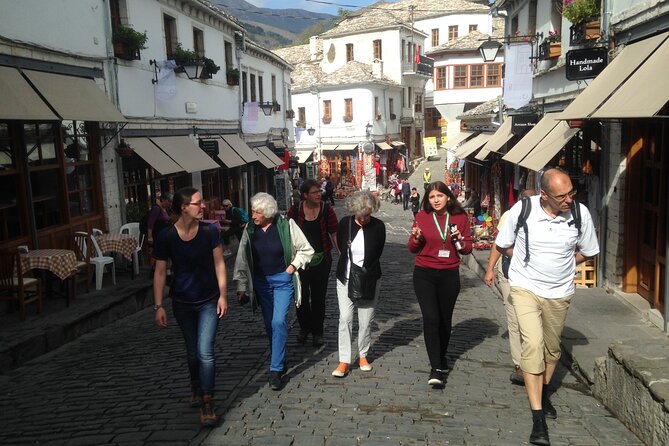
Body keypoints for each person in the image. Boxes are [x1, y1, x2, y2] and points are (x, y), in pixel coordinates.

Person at [495, 168, 599, 446]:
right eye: (561, 196)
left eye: (571, 193)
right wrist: (528, 262)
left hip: (560, 291)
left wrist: (563, 264)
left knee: (551, 349)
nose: (568, 200)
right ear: (544, 195)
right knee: (532, 344)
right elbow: (504, 245)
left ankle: (542, 393)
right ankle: (538, 417)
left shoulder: (580, 214)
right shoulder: (523, 210)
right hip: (525, 287)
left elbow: (588, 251)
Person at [152, 187, 228, 427]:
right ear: (184, 207)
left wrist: (223, 295)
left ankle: (207, 401)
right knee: (192, 352)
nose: (203, 206)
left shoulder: (209, 231)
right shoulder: (167, 236)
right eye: (198, 203)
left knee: (205, 350)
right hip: (182, 302)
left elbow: (219, 265)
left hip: (208, 299)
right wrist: (158, 306)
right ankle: (196, 388)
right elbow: (160, 271)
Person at [233, 193, 314, 391]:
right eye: (253, 210)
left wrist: (293, 266)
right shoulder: (250, 230)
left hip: (282, 282)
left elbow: (307, 249)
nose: (253, 215)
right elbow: (242, 258)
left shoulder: (286, 226)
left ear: (268, 213)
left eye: (257, 211)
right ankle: (280, 357)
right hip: (261, 283)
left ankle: (275, 369)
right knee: (271, 326)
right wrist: (242, 286)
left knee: (279, 321)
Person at [407, 181, 472, 387]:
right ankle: (435, 368)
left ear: (448, 197)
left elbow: (467, 248)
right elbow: (412, 247)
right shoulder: (422, 217)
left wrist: (458, 240)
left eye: (439, 196)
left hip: (449, 274)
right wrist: (416, 238)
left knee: (444, 320)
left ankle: (441, 356)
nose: (435, 200)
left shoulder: (460, 218)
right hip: (424, 273)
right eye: (432, 197)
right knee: (431, 318)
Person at [332, 191, 386, 378]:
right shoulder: (345, 224)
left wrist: (365, 274)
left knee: (365, 320)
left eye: (368, 215)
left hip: (369, 278)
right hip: (345, 278)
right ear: (354, 211)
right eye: (361, 215)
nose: (364, 219)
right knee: (345, 318)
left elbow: (378, 251)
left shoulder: (378, 226)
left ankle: (363, 355)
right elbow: (340, 247)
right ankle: (344, 360)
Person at [484, 188, 535, 386]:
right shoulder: (510, 215)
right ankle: (520, 365)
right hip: (509, 272)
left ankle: (532, 361)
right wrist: (491, 268)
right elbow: (499, 243)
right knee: (514, 320)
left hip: (534, 277)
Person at [287, 179, 339, 347]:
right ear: (305, 195)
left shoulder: (326, 209)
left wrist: (340, 251)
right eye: (315, 192)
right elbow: (286, 232)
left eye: (319, 192)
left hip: (321, 259)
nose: (319, 195)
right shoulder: (295, 211)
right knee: (301, 297)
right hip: (300, 261)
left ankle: (318, 331)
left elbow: (334, 231)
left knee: (319, 298)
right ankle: (304, 328)